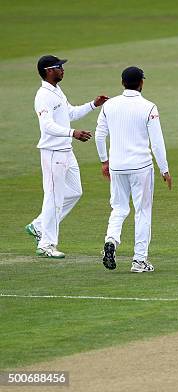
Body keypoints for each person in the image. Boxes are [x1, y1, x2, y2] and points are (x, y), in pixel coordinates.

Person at [25, 55, 108, 258]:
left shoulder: (56, 91)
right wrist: (73, 133)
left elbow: (69, 113)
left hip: (65, 151)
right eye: (58, 67)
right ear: (48, 71)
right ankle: (46, 244)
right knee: (53, 197)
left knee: (74, 191)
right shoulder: (43, 95)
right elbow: (47, 126)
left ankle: (38, 225)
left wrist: (93, 105)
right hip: (53, 152)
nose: (62, 69)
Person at [95, 66, 171, 273]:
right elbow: (157, 143)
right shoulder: (149, 107)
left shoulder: (109, 106)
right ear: (141, 83)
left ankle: (111, 241)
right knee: (143, 212)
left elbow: (100, 135)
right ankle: (139, 261)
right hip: (141, 167)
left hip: (117, 166)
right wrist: (164, 169)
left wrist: (104, 161)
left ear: (122, 83)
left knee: (119, 208)